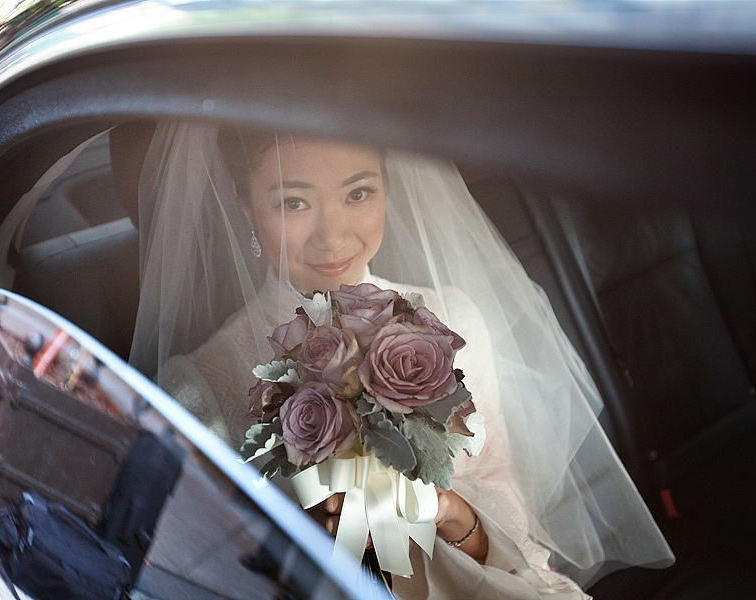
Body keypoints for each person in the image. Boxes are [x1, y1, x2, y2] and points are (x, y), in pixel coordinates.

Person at [130, 121, 674, 599]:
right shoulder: (198, 386)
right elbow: (208, 575)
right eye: (294, 203)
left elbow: (510, 520)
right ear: (245, 204)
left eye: (358, 193)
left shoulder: (452, 318)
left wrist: (452, 513)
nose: (334, 235)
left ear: (388, 187)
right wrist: (307, 540)